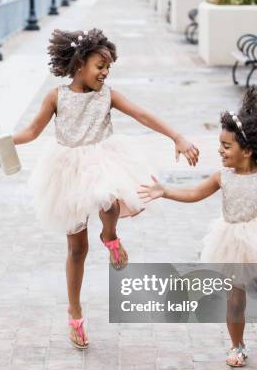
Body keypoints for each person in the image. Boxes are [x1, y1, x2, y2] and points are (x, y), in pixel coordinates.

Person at [12, 28, 199, 350]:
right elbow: (30, 132)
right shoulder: (56, 96)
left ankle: (110, 236)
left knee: (109, 194)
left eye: (108, 67)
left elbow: (142, 114)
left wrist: (177, 137)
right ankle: (75, 311)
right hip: (66, 170)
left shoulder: (108, 95)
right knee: (77, 249)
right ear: (80, 63)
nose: (105, 72)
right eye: (100, 65)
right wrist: (3, 141)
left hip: (103, 158)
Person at [138, 88, 257, 370]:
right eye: (220, 144)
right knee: (235, 297)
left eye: (226, 146)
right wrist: (165, 191)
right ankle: (237, 345)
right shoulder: (221, 177)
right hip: (232, 241)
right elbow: (194, 194)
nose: (220, 150)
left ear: (247, 150)